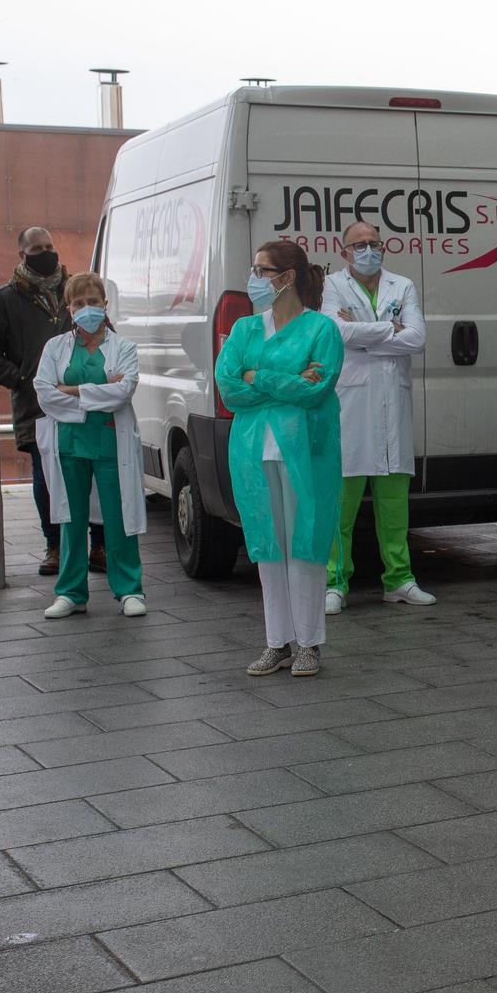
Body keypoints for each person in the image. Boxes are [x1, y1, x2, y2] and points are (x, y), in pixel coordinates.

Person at [216, 240, 345, 678]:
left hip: (304, 450)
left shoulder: (321, 330)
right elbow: (229, 387)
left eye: (262, 270)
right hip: (254, 451)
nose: (255, 278)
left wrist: (259, 377)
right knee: (268, 545)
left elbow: (316, 389)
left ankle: (309, 642)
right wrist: (286, 378)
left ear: (286, 277)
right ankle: (277, 642)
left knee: (304, 543)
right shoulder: (245, 330)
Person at [0, 227, 103, 577]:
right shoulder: (4, 299)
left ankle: (100, 543)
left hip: (85, 401)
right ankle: (55, 543)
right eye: (37, 248)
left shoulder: (78, 289)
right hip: (36, 405)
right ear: (22, 255)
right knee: (46, 476)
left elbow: (107, 333)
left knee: (91, 473)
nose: (46, 253)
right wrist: (22, 379)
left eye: (49, 246)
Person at [323, 221, 434, 614]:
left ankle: (399, 580)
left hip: (392, 406)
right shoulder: (331, 286)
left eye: (374, 243)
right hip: (351, 408)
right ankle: (334, 582)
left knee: (394, 503)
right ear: (344, 252)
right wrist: (390, 329)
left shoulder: (401, 285)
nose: (368, 250)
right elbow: (334, 333)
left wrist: (364, 336)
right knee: (341, 503)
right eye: (359, 244)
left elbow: (417, 339)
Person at [32, 273, 147, 620]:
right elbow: (44, 394)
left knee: (118, 516)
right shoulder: (55, 348)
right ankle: (70, 592)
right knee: (71, 519)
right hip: (69, 444)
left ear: (105, 305)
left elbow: (123, 392)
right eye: (79, 303)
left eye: (93, 302)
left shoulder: (123, 348)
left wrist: (71, 390)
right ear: (69, 308)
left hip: (112, 442)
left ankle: (129, 589)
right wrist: (97, 390)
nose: (87, 309)